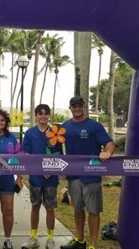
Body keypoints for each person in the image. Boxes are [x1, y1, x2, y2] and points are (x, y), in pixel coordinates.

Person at [60, 96, 115, 249]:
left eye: (79, 105)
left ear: (83, 107)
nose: (77, 108)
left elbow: (109, 143)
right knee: (77, 209)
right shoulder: (65, 127)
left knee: (93, 210)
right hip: (73, 175)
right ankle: (80, 241)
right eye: (74, 106)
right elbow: (53, 143)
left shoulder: (94, 126)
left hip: (92, 174)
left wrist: (107, 152)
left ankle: (92, 244)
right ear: (70, 108)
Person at [21, 104, 63, 249]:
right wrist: (39, 168)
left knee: (50, 208)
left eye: (46, 114)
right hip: (35, 178)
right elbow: (25, 154)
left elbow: (59, 156)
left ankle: (50, 239)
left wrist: (50, 169)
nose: (43, 116)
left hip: (51, 179)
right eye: (40, 113)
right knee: (35, 206)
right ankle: (33, 238)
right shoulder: (30, 133)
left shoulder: (55, 133)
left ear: (49, 115)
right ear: (36, 115)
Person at [0, 109, 23, 249]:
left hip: (8, 180)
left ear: (6, 122)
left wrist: (19, 178)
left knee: (8, 210)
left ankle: (7, 239)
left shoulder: (12, 138)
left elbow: (18, 158)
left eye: (2, 120)